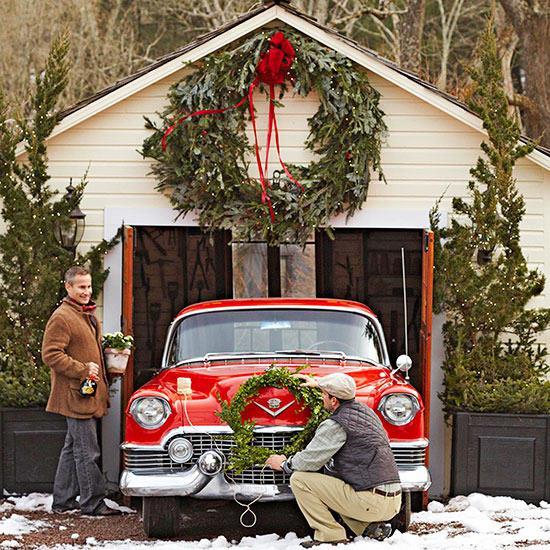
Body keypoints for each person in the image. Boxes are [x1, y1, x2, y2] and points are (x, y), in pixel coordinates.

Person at [266, 372, 401, 546]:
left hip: (371, 503)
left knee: (299, 479)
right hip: (393, 501)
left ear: (334, 400)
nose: (322, 398)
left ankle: (330, 536)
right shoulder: (366, 412)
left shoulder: (337, 424)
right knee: (338, 480)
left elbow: (310, 461)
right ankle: (369, 529)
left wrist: (284, 463)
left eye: (324, 395)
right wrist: (318, 383)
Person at [42, 266, 121, 516]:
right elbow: (51, 355)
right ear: (68, 287)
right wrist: (82, 370)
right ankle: (92, 503)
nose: (87, 291)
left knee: (72, 447)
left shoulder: (86, 315)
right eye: (81, 287)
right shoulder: (62, 316)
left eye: (88, 286)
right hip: (75, 394)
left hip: (85, 393)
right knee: (87, 450)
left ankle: (63, 501)